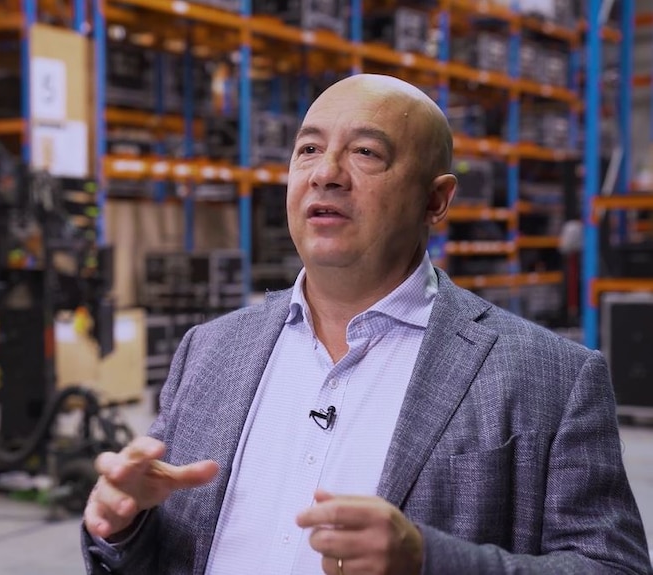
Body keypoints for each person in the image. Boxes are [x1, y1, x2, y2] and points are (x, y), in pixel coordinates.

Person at [81, 74, 652, 574]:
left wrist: (429, 563)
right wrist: (122, 525)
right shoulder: (210, 351)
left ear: (436, 200)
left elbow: (611, 567)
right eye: (308, 149)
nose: (326, 173)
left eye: (366, 153)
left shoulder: (548, 377)